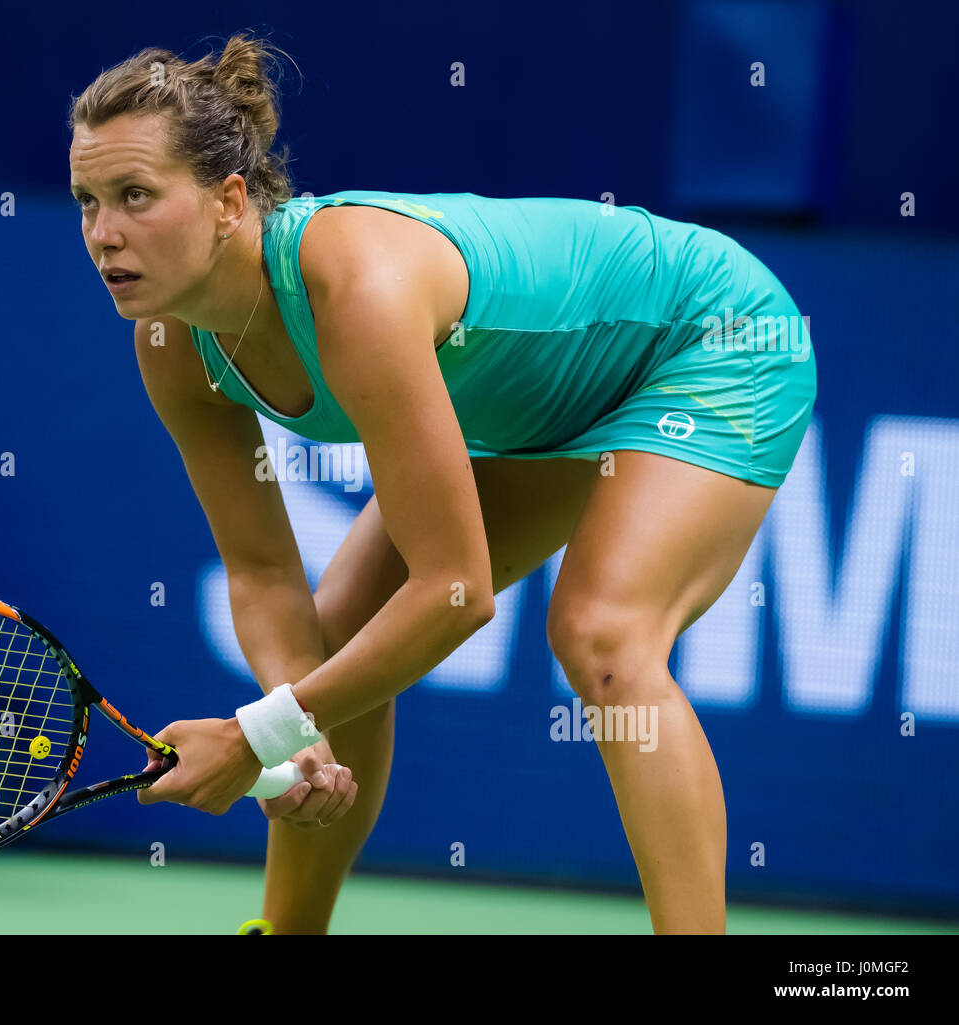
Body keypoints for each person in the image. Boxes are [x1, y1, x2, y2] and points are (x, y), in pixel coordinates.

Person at [67, 33, 816, 934]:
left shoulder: (356, 287)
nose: (104, 234)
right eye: (88, 201)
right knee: (342, 623)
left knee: (603, 633)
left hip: (709, 336)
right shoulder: (172, 342)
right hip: (545, 403)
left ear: (229, 201)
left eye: (135, 197)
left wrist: (255, 734)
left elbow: (455, 594)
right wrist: (294, 735)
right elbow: (263, 572)